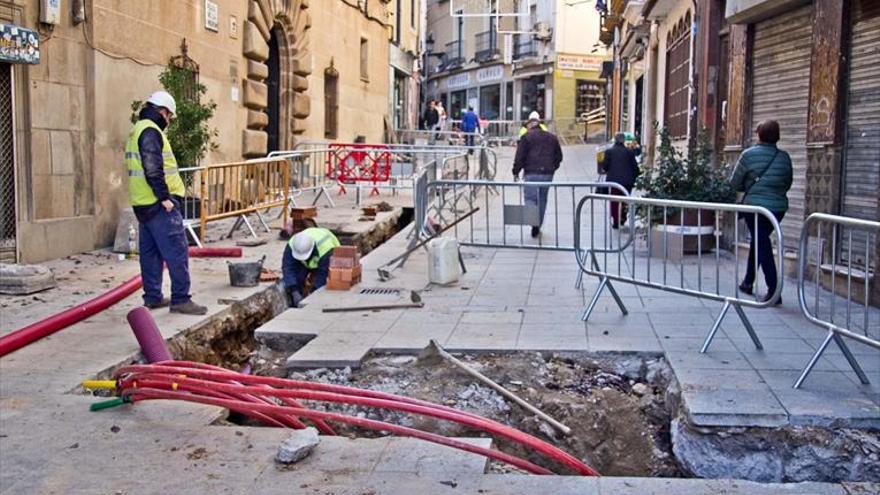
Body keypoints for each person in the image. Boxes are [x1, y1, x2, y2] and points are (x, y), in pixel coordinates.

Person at [127, 91, 207, 315]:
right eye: (169, 116)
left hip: (143, 204)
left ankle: (152, 297)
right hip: (159, 203)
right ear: (162, 111)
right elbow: (153, 167)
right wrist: (165, 198)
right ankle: (181, 299)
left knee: (150, 253)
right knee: (176, 251)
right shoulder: (151, 132)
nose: (169, 121)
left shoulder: (137, 130)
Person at [729, 119, 792, 305]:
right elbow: (787, 183)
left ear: (759, 134)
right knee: (760, 240)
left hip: (755, 208)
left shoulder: (748, 155)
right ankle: (748, 281)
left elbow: (734, 183)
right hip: (777, 208)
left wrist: (751, 187)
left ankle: (774, 290)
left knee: (761, 243)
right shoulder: (784, 157)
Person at [512, 112, 563, 238]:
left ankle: (533, 223)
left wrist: (515, 171)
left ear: (529, 125)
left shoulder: (526, 137)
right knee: (543, 199)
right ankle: (538, 223)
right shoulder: (552, 137)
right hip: (547, 173)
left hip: (531, 172)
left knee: (530, 198)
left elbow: (520, 157)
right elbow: (559, 156)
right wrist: (553, 168)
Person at [282, 227, 341, 307]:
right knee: (298, 275)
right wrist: (294, 291)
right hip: (312, 257)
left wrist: (313, 294)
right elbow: (288, 268)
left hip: (328, 254)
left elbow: (322, 274)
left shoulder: (325, 249)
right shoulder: (292, 244)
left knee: (324, 282)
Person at [599, 133, 640, 229]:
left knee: (614, 201)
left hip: (614, 182)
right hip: (627, 182)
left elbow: (605, 167)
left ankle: (616, 220)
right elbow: (635, 167)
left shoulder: (609, 152)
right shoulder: (629, 152)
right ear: (623, 141)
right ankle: (622, 217)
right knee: (625, 200)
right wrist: (634, 177)